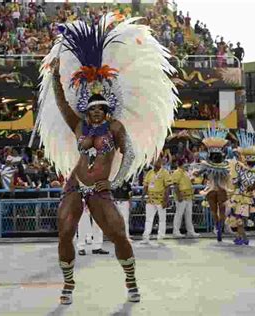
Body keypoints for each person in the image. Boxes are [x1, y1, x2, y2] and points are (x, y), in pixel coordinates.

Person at [37, 13, 178, 305]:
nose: (96, 112)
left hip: (100, 188)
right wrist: (53, 75)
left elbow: (131, 154)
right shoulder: (78, 124)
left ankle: (131, 281)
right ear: (87, 110)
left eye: (101, 107)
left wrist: (114, 180)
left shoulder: (115, 128)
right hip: (75, 185)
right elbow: (62, 101)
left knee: (118, 235)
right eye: (92, 108)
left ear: (108, 109)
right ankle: (68, 285)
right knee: (65, 232)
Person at [194, 127, 232, 242]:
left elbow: (197, 173)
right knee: (222, 211)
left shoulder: (206, 164)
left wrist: (194, 172)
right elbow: (229, 176)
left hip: (210, 190)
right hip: (222, 189)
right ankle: (220, 227)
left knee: (213, 211)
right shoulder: (226, 165)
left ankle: (216, 227)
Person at [141, 159, 172, 243]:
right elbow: (145, 186)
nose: (156, 163)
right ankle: (146, 237)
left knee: (162, 219)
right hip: (150, 199)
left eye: (158, 161)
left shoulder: (165, 172)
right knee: (148, 219)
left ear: (161, 162)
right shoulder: (149, 173)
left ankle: (161, 237)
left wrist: (166, 200)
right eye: (154, 161)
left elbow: (167, 187)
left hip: (161, 199)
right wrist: (143, 197)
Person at [172, 159, 199, 238]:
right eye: (185, 163)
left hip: (188, 197)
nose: (187, 164)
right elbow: (175, 185)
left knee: (189, 215)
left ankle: (190, 231)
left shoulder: (185, 172)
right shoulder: (177, 172)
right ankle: (176, 232)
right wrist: (179, 195)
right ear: (181, 164)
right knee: (179, 214)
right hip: (181, 197)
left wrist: (191, 180)